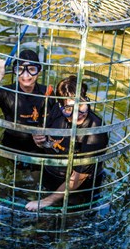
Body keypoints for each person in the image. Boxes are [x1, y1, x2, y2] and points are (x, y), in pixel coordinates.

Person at [25, 75, 109, 211]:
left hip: (80, 188)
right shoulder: (56, 111)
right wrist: (39, 140)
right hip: (50, 173)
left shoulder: (94, 129)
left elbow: (80, 176)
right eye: (69, 109)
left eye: (81, 105)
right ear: (60, 106)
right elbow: (43, 134)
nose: (77, 114)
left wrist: (47, 201)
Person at [0, 49, 55, 153]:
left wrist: (46, 134)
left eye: (31, 69)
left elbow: (55, 119)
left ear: (39, 71)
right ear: (14, 71)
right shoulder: (6, 92)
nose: (26, 75)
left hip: (41, 145)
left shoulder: (47, 92)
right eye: (20, 69)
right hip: (12, 145)